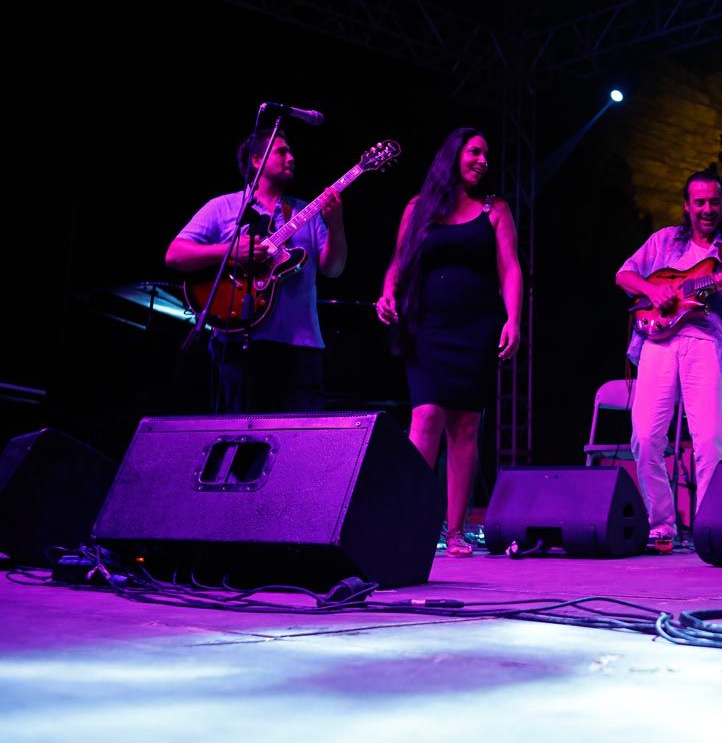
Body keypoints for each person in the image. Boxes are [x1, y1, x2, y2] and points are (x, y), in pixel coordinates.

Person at [376, 127, 523, 558]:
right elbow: (398, 264)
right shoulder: (417, 209)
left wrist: (514, 319)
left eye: (487, 154)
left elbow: (510, 270)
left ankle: (455, 531)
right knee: (425, 419)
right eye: (475, 151)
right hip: (427, 327)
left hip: (476, 328)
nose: (483, 160)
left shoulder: (495, 211)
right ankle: (415, 519)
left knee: (465, 427)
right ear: (453, 155)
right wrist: (387, 293)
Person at [616, 170, 722, 553]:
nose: (707, 209)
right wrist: (653, 289)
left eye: (714, 201)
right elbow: (624, 275)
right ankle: (661, 526)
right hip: (658, 342)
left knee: (710, 442)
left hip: (707, 343)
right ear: (687, 206)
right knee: (645, 437)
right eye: (700, 202)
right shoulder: (664, 241)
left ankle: (711, 528)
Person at [166, 129, 346, 413]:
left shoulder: (304, 213)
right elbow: (175, 254)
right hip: (238, 346)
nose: (292, 157)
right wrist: (230, 252)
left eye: (291, 152)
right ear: (256, 160)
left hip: (301, 347)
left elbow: (333, 269)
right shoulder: (223, 207)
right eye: (281, 151)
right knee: (240, 443)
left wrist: (335, 223)